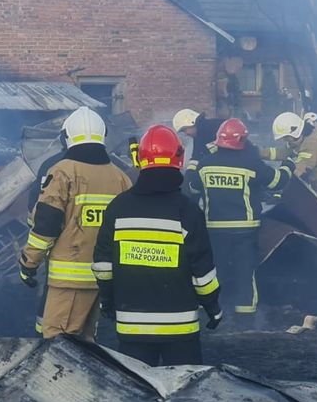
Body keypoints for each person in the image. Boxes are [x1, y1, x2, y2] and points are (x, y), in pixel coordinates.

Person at [93, 125, 222, 366]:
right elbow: (202, 274)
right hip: (180, 329)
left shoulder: (118, 208)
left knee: (136, 395)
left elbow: (102, 265)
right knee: (185, 395)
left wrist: (108, 300)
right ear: (180, 160)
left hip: (133, 328)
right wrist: (213, 307)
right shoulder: (188, 211)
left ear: (141, 160)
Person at [19, 107, 132, 340]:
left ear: (66, 137)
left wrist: (29, 263)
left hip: (68, 281)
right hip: (105, 278)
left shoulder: (62, 172)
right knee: (86, 345)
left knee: (58, 347)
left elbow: (45, 226)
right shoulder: (121, 176)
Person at [191, 118, 292, 324]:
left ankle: (210, 313)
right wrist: (289, 165)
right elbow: (276, 181)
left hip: (214, 229)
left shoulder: (206, 163)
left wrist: (194, 165)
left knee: (215, 270)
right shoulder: (250, 163)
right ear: (242, 140)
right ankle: (244, 318)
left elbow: (192, 187)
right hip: (245, 229)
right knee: (245, 272)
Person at [173, 108, 222, 175]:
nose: (186, 134)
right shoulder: (199, 136)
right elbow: (196, 158)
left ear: (192, 123)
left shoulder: (217, 128)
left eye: (185, 130)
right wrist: (189, 174)